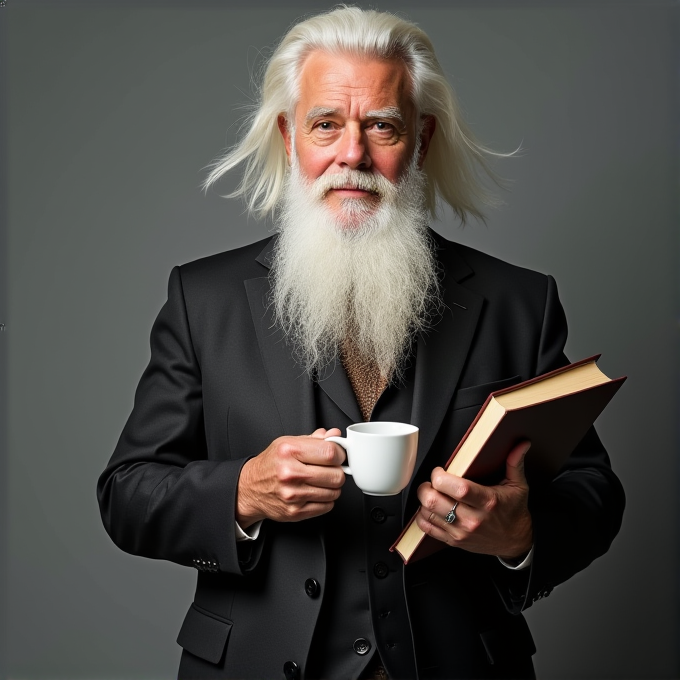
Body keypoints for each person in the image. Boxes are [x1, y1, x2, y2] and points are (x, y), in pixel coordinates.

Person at [97, 7, 625, 680]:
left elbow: (592, 490)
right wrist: (243, 494)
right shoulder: (203, 300)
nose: (353, 154)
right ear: (291, 138)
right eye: (326, 125)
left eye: (382, 126)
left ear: (421, 140)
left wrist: (519, 535)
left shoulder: (517, 302)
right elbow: (126, 493)